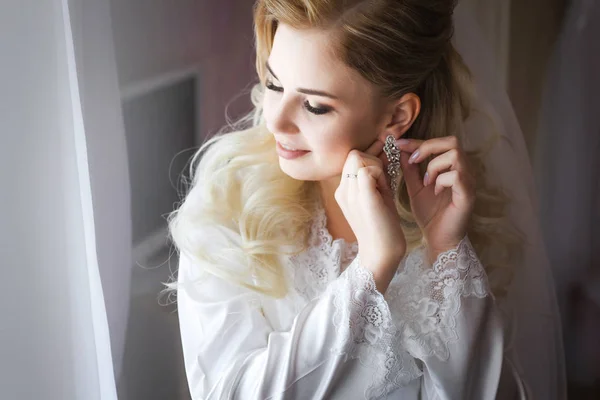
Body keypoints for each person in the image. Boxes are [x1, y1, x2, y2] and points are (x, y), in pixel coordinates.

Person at [166, 0, 565, 398]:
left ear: (397, 117)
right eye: (274, 84)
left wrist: (446, 250)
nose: (276, 120)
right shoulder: (227, 206)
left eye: (315, 105)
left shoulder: (449, 211)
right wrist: (370, 270)